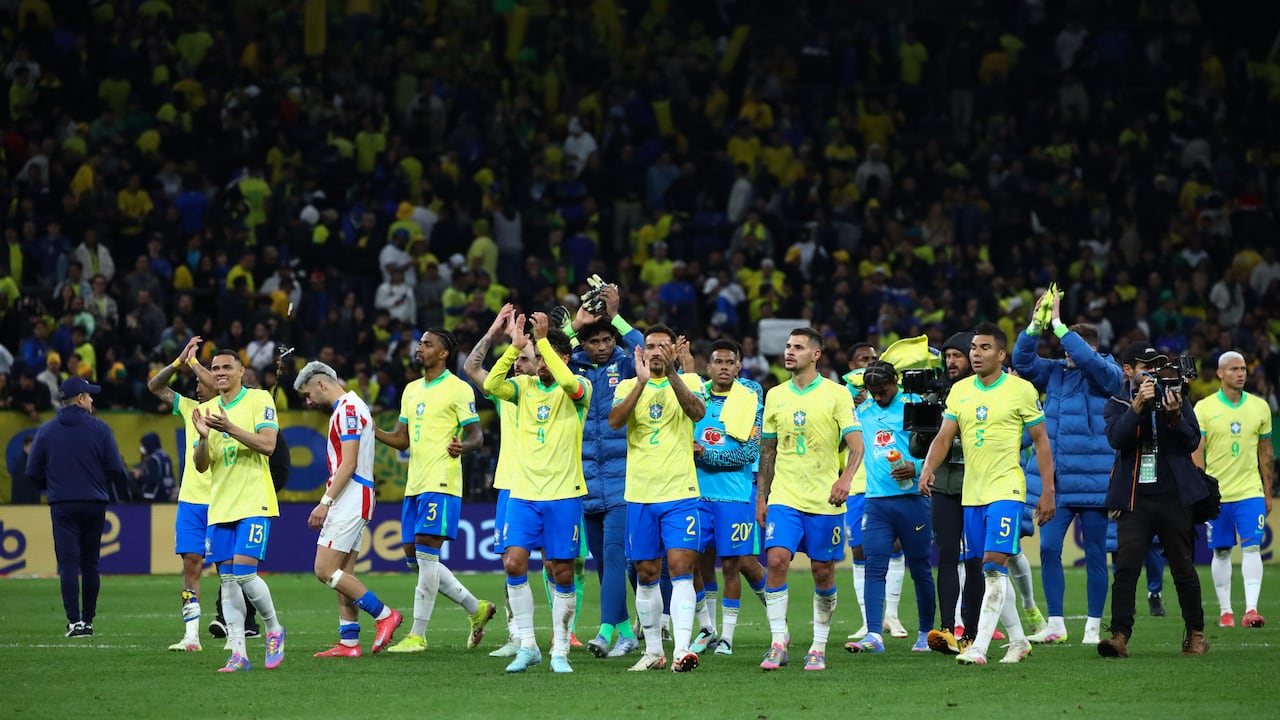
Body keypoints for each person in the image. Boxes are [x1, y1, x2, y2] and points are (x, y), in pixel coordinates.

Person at [920, 323, 1056, 665]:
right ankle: (1019, 640)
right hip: (972, 494)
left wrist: (1048, 491)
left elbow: (1041, 442)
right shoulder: (961, 391)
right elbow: (944, 436)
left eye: (983, 348)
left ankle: (978, 646)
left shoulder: (1021, 390)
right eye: (973, 348)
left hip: (1006, 489)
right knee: (988, 570)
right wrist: (928, 468)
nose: (975, 354)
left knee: (994, 566)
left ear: (1000, 354)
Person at [484, 311, 592, 673]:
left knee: (561, 571)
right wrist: (514, 349)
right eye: (537, 357)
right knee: (513, 562)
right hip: (524, 493)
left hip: (563, 494)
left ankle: (560, 649)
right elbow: (491, 385)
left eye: (544, 356)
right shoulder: (524, 388)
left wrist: (544, 341)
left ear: (563, 358)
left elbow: (572, 386)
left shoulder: (579, 388)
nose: (538, 362)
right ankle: (528, 645)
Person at [1014, 292, 1124, 646]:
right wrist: (1035, 326)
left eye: (1071, 348)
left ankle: (1093, 625)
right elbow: (1023, 361)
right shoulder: (1057, 373)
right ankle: (1057, 622)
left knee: (1095, 554)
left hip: (1095, 484)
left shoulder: (1108, 372)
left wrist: (1060, 327)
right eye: (1064, 349)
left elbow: (1097, 370)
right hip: (1057, 485)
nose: (1066, 355)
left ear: (1086, 349)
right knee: (1047, 550)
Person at [376, 328, 495, 653]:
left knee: (428, 556)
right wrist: (372, 429)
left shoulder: (458, 389)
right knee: (414, 558)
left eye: (428, 344)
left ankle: (417, 635)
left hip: (442, 480)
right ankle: (476, 608)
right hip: (414, 483)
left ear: (443, 353)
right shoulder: (411, 390)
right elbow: (403, 439)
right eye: (420, 343)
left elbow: (476, 435)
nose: (420, 348)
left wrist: (463, 447)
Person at [756, 327, 862, 672]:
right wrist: (762, 497)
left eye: (798, 347)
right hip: (785, 494)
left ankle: (818, 646)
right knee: (776, 561)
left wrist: (845, 478)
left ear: (816, 354)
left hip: (824, 499)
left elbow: (858, 445)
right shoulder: (775, 395)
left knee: (822, 572)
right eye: (787, 346)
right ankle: (777, 643)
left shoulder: (837, 395)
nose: (789, 352)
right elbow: (768, 451)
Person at [1098, 343, 1209, 658]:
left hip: (1174, 497)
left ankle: (1196, 634)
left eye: (1158, 366)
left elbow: (1191, 441)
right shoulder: (1118, 402)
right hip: (1135, 500)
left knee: (1183, 568)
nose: (1154, 372)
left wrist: (1174, 417)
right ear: (1128, 370)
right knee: (1127, 568)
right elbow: (1116, 439)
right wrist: (1137, 408)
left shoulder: (1176, 397)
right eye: (1147, 365)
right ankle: (1119, 637)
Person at [608, 324, 707, 672]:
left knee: (681, 570)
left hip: (680, 493)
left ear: (674, 351)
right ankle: (652, 651)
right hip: (640, 494)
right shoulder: (627, 385)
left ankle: (681, 649)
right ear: (641, 351)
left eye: (663, 346)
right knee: (646, 572)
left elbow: (696, 412)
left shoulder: (692, 382)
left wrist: (675, 374)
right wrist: (640, 382)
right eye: (650, 346)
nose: (655, 351)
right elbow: (615, 422)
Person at [294, 361, 404, 657]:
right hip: (357, 495)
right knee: (344, 573)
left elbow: (350, 462)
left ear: (321, 384)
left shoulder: (347, 410)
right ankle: (350, 642)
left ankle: (384, 616)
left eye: (307, 394)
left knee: (324, 569)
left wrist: (325, 501)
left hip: (351, 496)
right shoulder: (354, 406)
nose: (308, 402)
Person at [191, 351, 287, 672]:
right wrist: (204, 438)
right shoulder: (204, 411)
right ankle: (238, 654)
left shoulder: (259, 399)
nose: (219, 372)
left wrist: (230, 428)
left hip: (253, 501)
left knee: (245, 574)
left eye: (226, 367)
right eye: (215, 368)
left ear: (241, 371)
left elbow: (268, 445)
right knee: (229, 582)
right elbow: (202, 465)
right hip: (220, 507)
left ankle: (274, 629)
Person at [568, 285, 644, 658]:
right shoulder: (574, 367)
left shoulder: (627, 365)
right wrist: (574, 323)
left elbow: (647, 348)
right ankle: (628, 632)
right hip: (584, 480)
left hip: (621, 479)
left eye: (607, 339)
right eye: (594, 340)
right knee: (603, 562)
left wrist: (615, 315)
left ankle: (603, 631)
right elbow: (540, 355)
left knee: (614, 556)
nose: (602, 346)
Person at [25, 377, 128, 638]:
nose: (93, 400)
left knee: (68, 565)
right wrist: (102, 483)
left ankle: (74, 623)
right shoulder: (101, 429)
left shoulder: (46, 430)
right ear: (80, 399)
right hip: (94, 503)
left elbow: (31, 471)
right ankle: (89, 621)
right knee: (91, 564)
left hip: (63, 504)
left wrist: (51, 487)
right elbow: (116, 468)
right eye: (90, 395)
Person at [845, 360, 936, 654]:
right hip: (876, 502)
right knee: (874, 567)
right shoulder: (863, 411)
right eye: (873, 392)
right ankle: (874, 634)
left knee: (921, 568)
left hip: (913, 500)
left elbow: (939, 444)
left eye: (882, 391)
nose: (878, 397)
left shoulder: (916, 405)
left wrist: (918, 466)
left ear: (895, 383)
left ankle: (924, 633)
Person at [687, 339, 766, 656]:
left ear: (738, 367)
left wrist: (704, 456)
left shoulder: (749, 400)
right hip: (695, 494)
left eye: (729, 362)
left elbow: (748, 452)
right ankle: (707, 629)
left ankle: (735, 634)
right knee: (693, 561)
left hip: (735, 494)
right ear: (708, 367)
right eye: (717, 362)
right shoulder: (694, 398)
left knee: (738, 564)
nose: (723, 367)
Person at [463, 304, 533, 658]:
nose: (518, 364)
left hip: (553, 484)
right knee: (511, 560)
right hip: (511, 483)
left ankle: (566, 633)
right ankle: (518, 634)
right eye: (514, 359)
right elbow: (471, 367)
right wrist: (494, 334)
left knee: (561, 562)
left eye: (523, 358)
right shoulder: (504, 391)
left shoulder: (558, 390)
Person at [1194, 350, 1273, 628]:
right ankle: (1226, 611)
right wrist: (1199, 489)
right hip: (1217, 494)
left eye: (1243, 369)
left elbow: (1266, 452)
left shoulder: (1260, 407)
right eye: (1234, 369)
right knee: (1222, 551)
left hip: (1249, 491)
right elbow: (1197, 452)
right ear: (1220, 373)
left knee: (1252, 548)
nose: (1241, 373)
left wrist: (1267, 489)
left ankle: (1251, 610)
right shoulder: (1203, 408)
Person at [146, 336, 215, 652]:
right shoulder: (189, 408)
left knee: (229, 568)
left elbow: (213, 379)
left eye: (202, 381)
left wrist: (195, 363)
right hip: (190, 501)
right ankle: (191, 635)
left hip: (221, 500)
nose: (197, 386)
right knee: (191, 565)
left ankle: (236, 634)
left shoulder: (231, 409)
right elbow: (155, 387)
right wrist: (178, 361)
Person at [921, 332, 987, 654]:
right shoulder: (935, 399)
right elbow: (918, 446)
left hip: (978, 488)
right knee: (946, 557)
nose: (951, 362)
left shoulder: (984, 395)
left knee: (975, 561)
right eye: (947, 357)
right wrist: (925, 420)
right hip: (946, 489)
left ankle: (971, 632)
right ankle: (947, 630)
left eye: (957, 356)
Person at [842, 342, 908, 640]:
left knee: (894, 546)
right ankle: (867, 617)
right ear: (850, 365)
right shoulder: (841, 399)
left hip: (890, 481)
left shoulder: (894, 399)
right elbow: (837, 444)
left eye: (872, 359)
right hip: (858, 484)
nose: (868, 363)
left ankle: (892, 615)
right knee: (858, 549)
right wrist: (852, 413)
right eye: (862, 360)